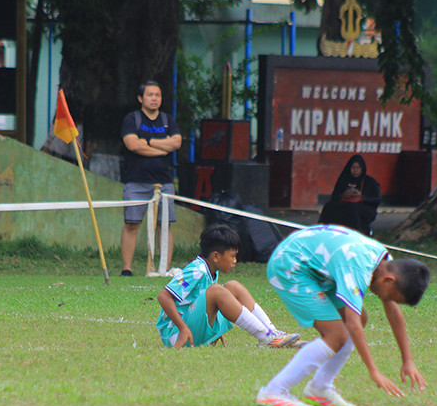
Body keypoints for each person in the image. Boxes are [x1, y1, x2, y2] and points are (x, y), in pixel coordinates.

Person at [256, 224, 430, 406]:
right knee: (336, 334)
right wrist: (374, 371)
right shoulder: (357, 268)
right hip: (290, 265)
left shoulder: (384, 261)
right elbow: (352, 325)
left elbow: (392, 313)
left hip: (314, 269)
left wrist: (407, 360)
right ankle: (274, 392)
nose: (385, 300)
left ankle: (320, 387)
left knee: (360, 318)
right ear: (389, 281)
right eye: (390, 296)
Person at [156, 224, 301, 349]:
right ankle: (265, 337)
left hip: (192, 328)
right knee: (216, 291)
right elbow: (164, 297)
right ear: (216, 256)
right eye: (232, 256)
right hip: (176, 335)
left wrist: (213, 327)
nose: (235, 261)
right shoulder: (196, 270)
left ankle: (272, 333)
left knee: (233, 286)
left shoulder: (210, 270)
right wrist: (183, 328)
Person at [120, 80, 182, 276]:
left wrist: (149, 141)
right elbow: (132, 145)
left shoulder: (168, 121)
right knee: (132, 224)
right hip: (136, 180)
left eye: (158, 95)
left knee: (164, 226)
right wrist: (161, 149)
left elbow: (177, 142)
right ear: (141, 98)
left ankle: (164, 269)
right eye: (150, 95)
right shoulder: (132, 119)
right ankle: (127, 269)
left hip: (164, 181)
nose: (154, 98)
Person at [318, 154, 381, 234]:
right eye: (353, 168)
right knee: (329, 206)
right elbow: (334, 196)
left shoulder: (369, 181)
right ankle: (326, 231)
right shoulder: (344, 179)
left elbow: (376, 199)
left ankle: (357, 231)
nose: (355, 170)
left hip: (363, 207)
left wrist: (361, 197)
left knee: (352, 208)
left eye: (358, 168)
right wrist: (343, 195)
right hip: (345, 203)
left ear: (362, 168)